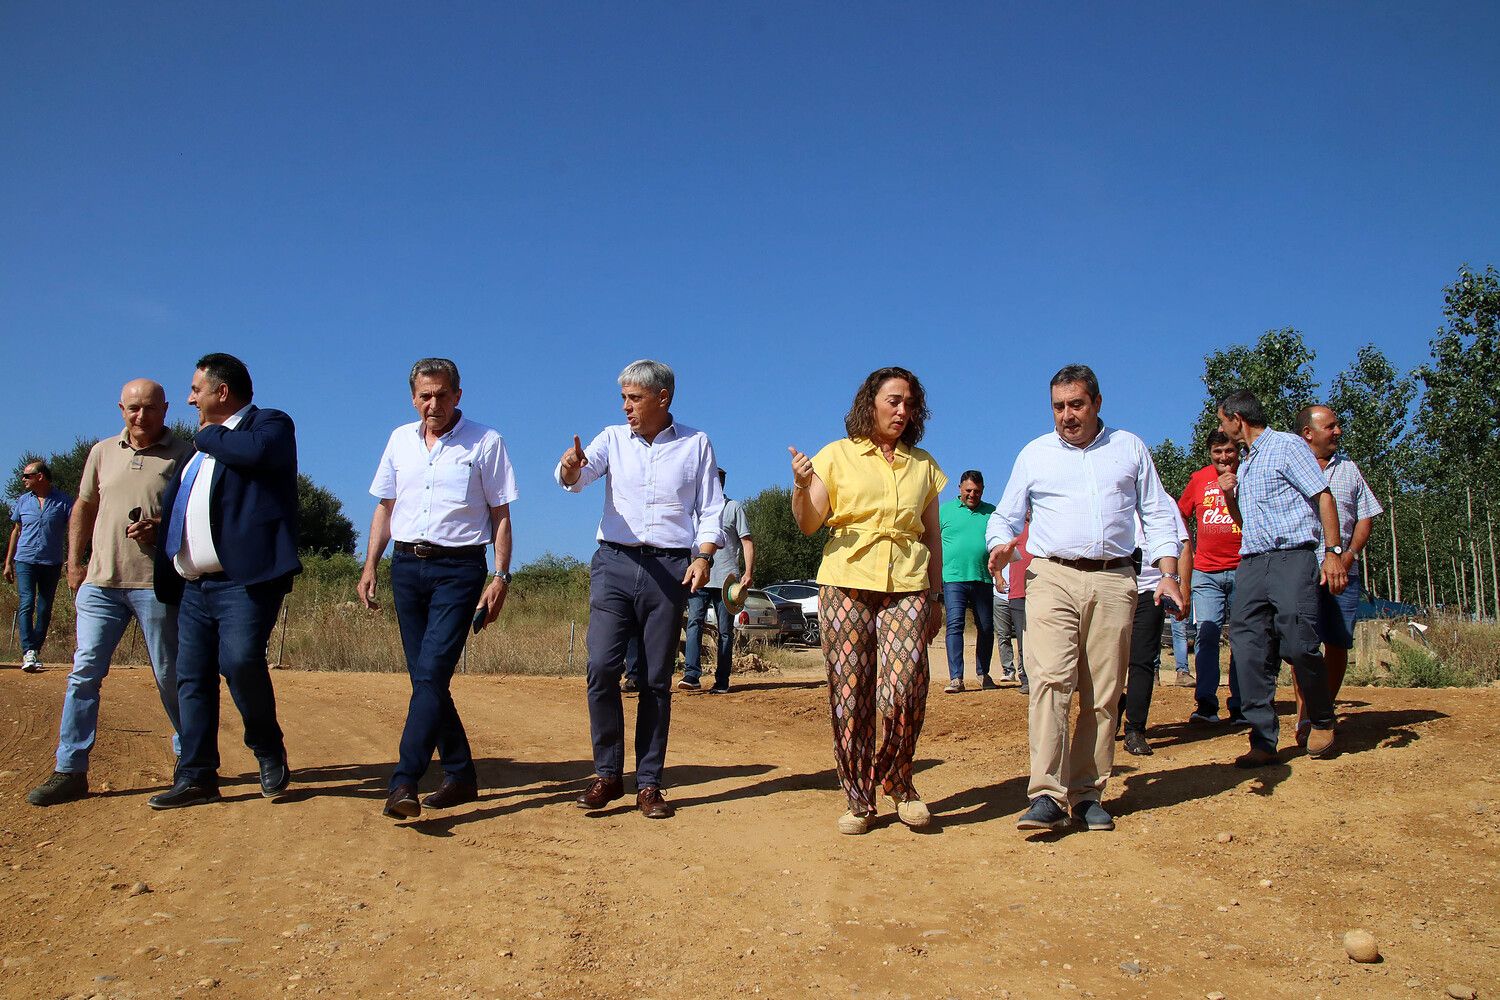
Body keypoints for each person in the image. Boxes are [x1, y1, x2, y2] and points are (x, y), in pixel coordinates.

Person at [987, 364, 1185, 833]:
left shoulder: (1129, 447)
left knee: (1102, 692)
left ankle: (1089, 793)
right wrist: (998, 545)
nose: (1067, 415)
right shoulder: (1035, 454)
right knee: (1050, 681)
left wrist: (1169, 574)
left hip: (1116, 579)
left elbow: (1158, 514)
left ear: (1097, 403)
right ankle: (1047, 795)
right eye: (1058, 406)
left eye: (1076, 405)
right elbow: (1006, 515)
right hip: (1051, 575)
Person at [557, 360, 724, 820]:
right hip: (614, 562)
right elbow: (577, 478)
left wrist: (704, 556)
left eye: (634, 398)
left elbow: (710, 508)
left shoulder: (696, 444)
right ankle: (607, 775)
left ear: (662, 398)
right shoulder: (611, 439)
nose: (626, 407)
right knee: (600, 666)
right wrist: (570, 468)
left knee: (654, 680)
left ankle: (649, 783)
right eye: (624, 398)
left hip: (670, 568)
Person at [359, 359, 518, 820]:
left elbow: (501, 515)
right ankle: (462, 774)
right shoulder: (397, 440)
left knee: (430, 674)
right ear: (413, 397)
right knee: (425, 677)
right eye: (426, 396)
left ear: (458, 395)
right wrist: (370, 563)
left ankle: (403, 781)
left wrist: (500, 577)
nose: (434, 404)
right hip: (405, 566)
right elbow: (385, 507)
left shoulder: (486, 441)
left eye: (443, 395)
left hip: (459, 569)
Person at [789, 366, 946, 835]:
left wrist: (936, 595)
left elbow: (934, 535)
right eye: (893, 400)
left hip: (909, 585)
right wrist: (800, 485)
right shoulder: (836, 456)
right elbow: (809, 523)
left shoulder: (924, 465)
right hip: (846, 582)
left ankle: (899, 783)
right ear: (871, 403)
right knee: (851, 692)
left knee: (903, 690)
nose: (902, 410)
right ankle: (859, 799)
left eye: (909, 404)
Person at [27, 380, 193, 806]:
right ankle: (70, 769)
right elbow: (84, 506)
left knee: (170, 675)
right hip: (100, 583)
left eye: (150, 408)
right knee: (83, 674)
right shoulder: (101, 451)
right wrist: (75, 563)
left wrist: (162, 531)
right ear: (121, 408)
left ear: (165, 408)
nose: (141, 417)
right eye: (133, 408)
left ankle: (190, 764)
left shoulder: (186, 453)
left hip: (156, 583)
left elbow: (197, 513)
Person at [148, 353, 301, 809]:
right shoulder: (198, 452)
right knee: (191, 677)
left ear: (222, 392)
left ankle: (267, 747)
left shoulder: (268, 424)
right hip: (195, 584)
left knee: (238, 662)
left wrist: (208, 435)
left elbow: (256, 455)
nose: (189, 397)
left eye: (196, 389)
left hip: (245, 581)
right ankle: (195, 775)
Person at [1216, 390, 1346, 767]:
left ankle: (1321, 718)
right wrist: (1229, 496)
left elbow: (1323, 495)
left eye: (1223, 421)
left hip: (1293, 556)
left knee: (1298, 641)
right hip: (1253, 562)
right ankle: (1263, 740)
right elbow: (1244, 524)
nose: (1221, 429)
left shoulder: (1287, 446)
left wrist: (1333, 553)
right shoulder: (1247, 462)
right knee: (1249, 647)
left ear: (1238, 419)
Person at [1294, 403, 1384, 742]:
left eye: (1337, 425)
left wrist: (1349, 555)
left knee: (1337, 641)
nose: (1338, 431)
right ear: (1308, 433)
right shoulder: (1290, 466)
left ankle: (1324, 712)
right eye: (1330, 426)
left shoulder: (1349, 468)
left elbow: (1366, 515)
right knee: (1302, 643)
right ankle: (1305, 715)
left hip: (1343, 570)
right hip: (1302, 568)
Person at [1177, 430, 1246, 724]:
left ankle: (1242, 704)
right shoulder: (1200, 479)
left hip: (1245, 567)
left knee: (1244, 639)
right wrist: (1187, 545)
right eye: (1217, 452)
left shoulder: (1250, 475)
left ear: (1238, 451)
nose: (1224, 458)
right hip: (1206, 570)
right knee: (1206, 635)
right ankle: (1206, 703)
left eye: (1229, 451)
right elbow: (1180, 513)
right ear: (1210, 453)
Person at [1118, 510, 1189, 757]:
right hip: (1113, 587)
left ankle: (1135, 729)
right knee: (1102, 658)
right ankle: (1116, 704)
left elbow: (1183, 544)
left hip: (1150, 591)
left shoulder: (1163, 502)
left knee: (1142, 660)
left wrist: (1183, 587)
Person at [682, 468, 754, 694]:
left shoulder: (734, 508)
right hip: (698, 579)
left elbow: (747, 542)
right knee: (694, 624)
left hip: (727, 582)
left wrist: (748, 572)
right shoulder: (696, 511)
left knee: (725, 632)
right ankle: (691, 675)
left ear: (720, 484)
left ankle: (722, 680)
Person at [5, 461, 74, 671]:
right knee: (26, 602)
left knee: (44, 608)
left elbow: (74, 530)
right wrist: (8, 562)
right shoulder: (23, 501)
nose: (23, 479)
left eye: (27, 476)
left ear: (41, 476)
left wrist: (72, 558)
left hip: (51, 562)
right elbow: (16, 530)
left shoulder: (63, 501)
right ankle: (28, 650)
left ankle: (35, 649)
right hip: (24, 559)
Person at [939, 471, 998, 693]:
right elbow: (933, 543)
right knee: (955, 625)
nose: (973, 495)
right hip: (953, 578)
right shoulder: (944, 511)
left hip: (983, 577)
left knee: (986, 627)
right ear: (960, 488)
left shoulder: (992, 512)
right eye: (969, 491)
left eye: (977, 491)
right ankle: (956, 678)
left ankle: (983, 674)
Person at [1005, 522, 1034, 695]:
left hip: (1044, 590)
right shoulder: (1013, 527)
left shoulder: (1045, 522)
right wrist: (999, 575)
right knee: (1023, 640)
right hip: (1018, 591)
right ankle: (1027, 679)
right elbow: (1001, 551)